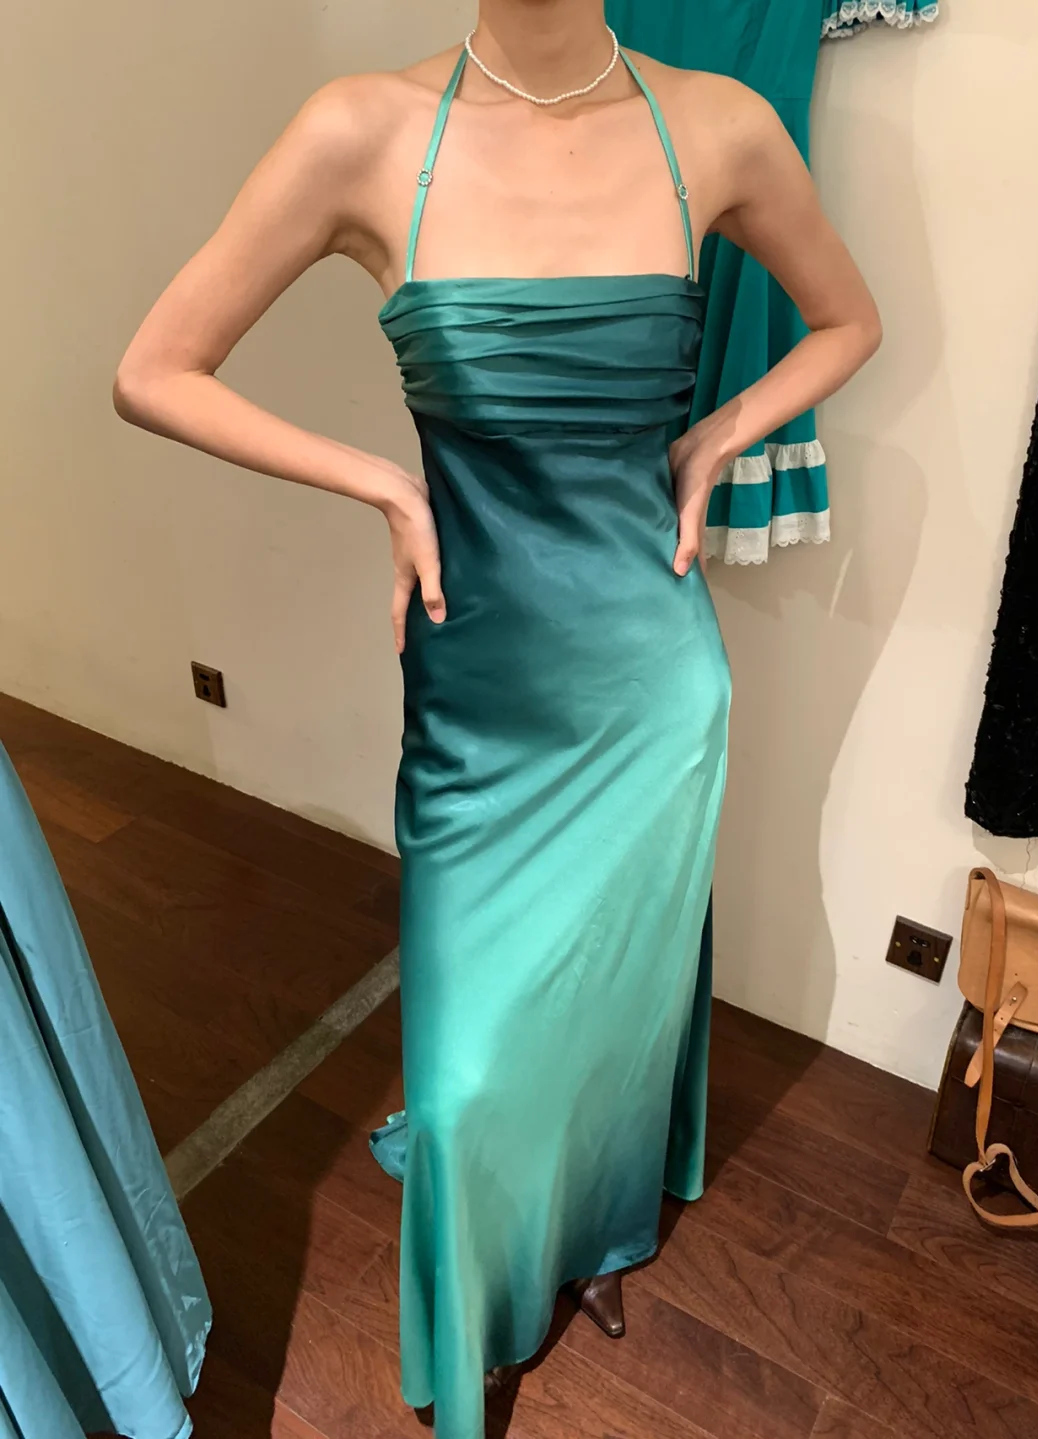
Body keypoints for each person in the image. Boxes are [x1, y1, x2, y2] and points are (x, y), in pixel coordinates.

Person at [113, 2, 881, 1434]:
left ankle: (590, 1226)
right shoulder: (363, 131)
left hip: (652, 686)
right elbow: (153, 369)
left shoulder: (716, 125)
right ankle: (479, 1296)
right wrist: (384, 486)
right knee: (464, 1077)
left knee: (615, 1000)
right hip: (480, 687)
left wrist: (719, 436)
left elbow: (851, 317)